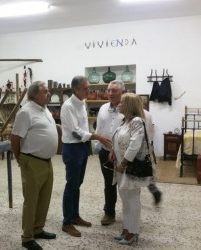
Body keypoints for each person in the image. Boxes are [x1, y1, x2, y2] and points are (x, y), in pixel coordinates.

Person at [95, 80, 162, 226]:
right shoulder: (103, 108)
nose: (110, 94)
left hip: (127, 156)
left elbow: (145, 134)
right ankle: (109, 212)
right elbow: (99, 128)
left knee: (131, 185)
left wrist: (145, 152)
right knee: (109, 184)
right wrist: (98, 145)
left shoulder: (137, 112)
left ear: (123, 92)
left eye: (114, 91)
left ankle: (132, 221)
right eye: (109, 90)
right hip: (107, 152)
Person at [60, 76, 112, 237]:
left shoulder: (82, 103)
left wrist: (89, 144)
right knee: (71, 184)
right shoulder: (68, 106)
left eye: (89, 87)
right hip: (72, 148)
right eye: (86, 88)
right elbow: (76, 133)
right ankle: (67, 222)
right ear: (76, 90)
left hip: (82, 148)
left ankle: (75, 216)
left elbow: (83, 127)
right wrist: (97, 137)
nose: (89, 90)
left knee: (78, 183)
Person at [10, 81, 58, 250]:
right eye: (45, 91)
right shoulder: (26, 112)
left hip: (46, 162)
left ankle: (38, 229)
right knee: (31, 201)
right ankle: (27, 237)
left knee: (44, 198)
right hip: (32, 161)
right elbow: (15, 138)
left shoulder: (44, 109)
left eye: (48, 91)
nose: (49, 93)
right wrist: (20, 159)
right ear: (34, 95)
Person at [110, 92, 154, 245]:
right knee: (125, 199)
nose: (119, 104)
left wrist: (123, 164)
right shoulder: (125, 121)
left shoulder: (136, 121)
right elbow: (118, 138)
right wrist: (113, 152)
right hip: (122, 166)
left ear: (128, 105)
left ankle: (133, 232)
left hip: (130, 167)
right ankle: (126, 228)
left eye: (122, 102)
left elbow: (135, 144)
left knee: (132, 199)